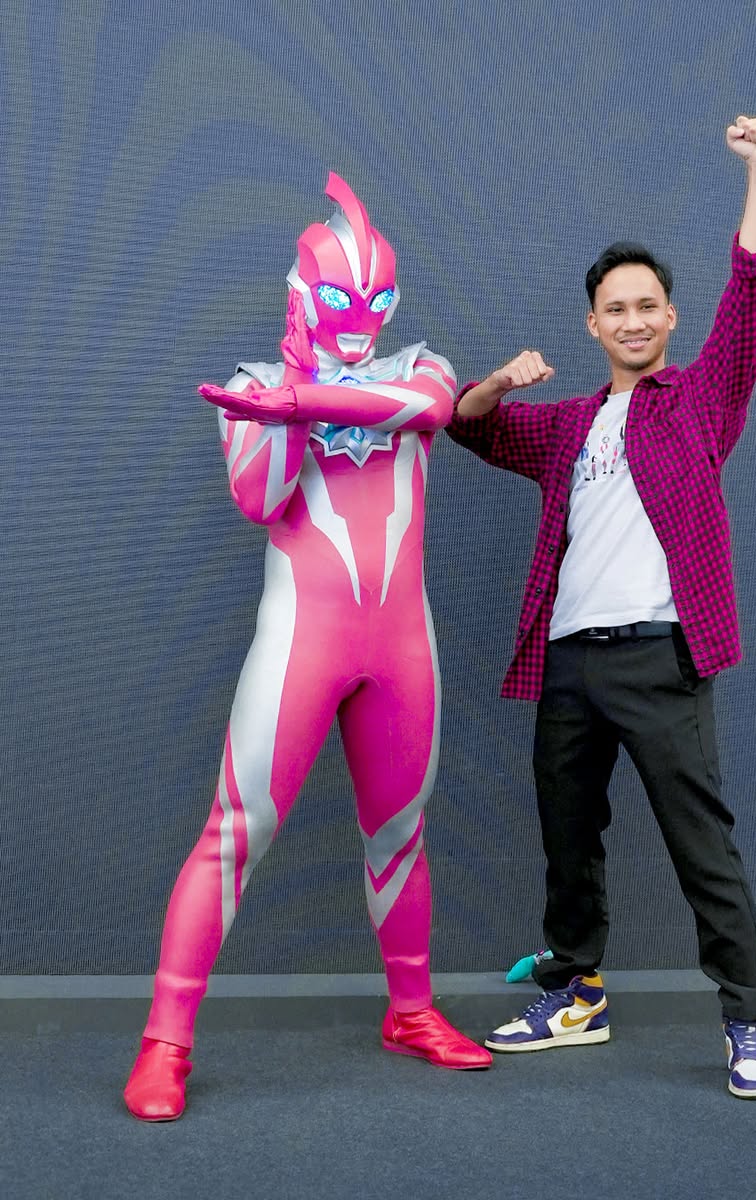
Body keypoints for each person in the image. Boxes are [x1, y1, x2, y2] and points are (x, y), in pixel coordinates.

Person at [124, 172, 491, 1122]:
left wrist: (310, 400)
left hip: (402, 646)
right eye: (338, 295)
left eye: (376, 298)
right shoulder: (254, 388)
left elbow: (432, 413)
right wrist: (289, 400)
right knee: (235, 833)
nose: (361, 315)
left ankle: (411, 1011)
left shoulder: (421, 365)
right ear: (300, 291)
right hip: (304, 642)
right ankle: (165, 1042)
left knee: (402, 835)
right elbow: (262, 500)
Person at [445, 117, 756, 1098]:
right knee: (568, 841)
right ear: (591, 324)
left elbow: (754, 293)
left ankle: (749, 1021)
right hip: (568, 664)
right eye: (614, 308)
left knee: (700, 848)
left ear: (669, 318)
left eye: (647, 306)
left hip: (659, 660)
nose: (632, 321)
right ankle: (575, 991)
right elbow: (470, 428)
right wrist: (497, 384)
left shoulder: (701, 402)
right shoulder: (568, 427)